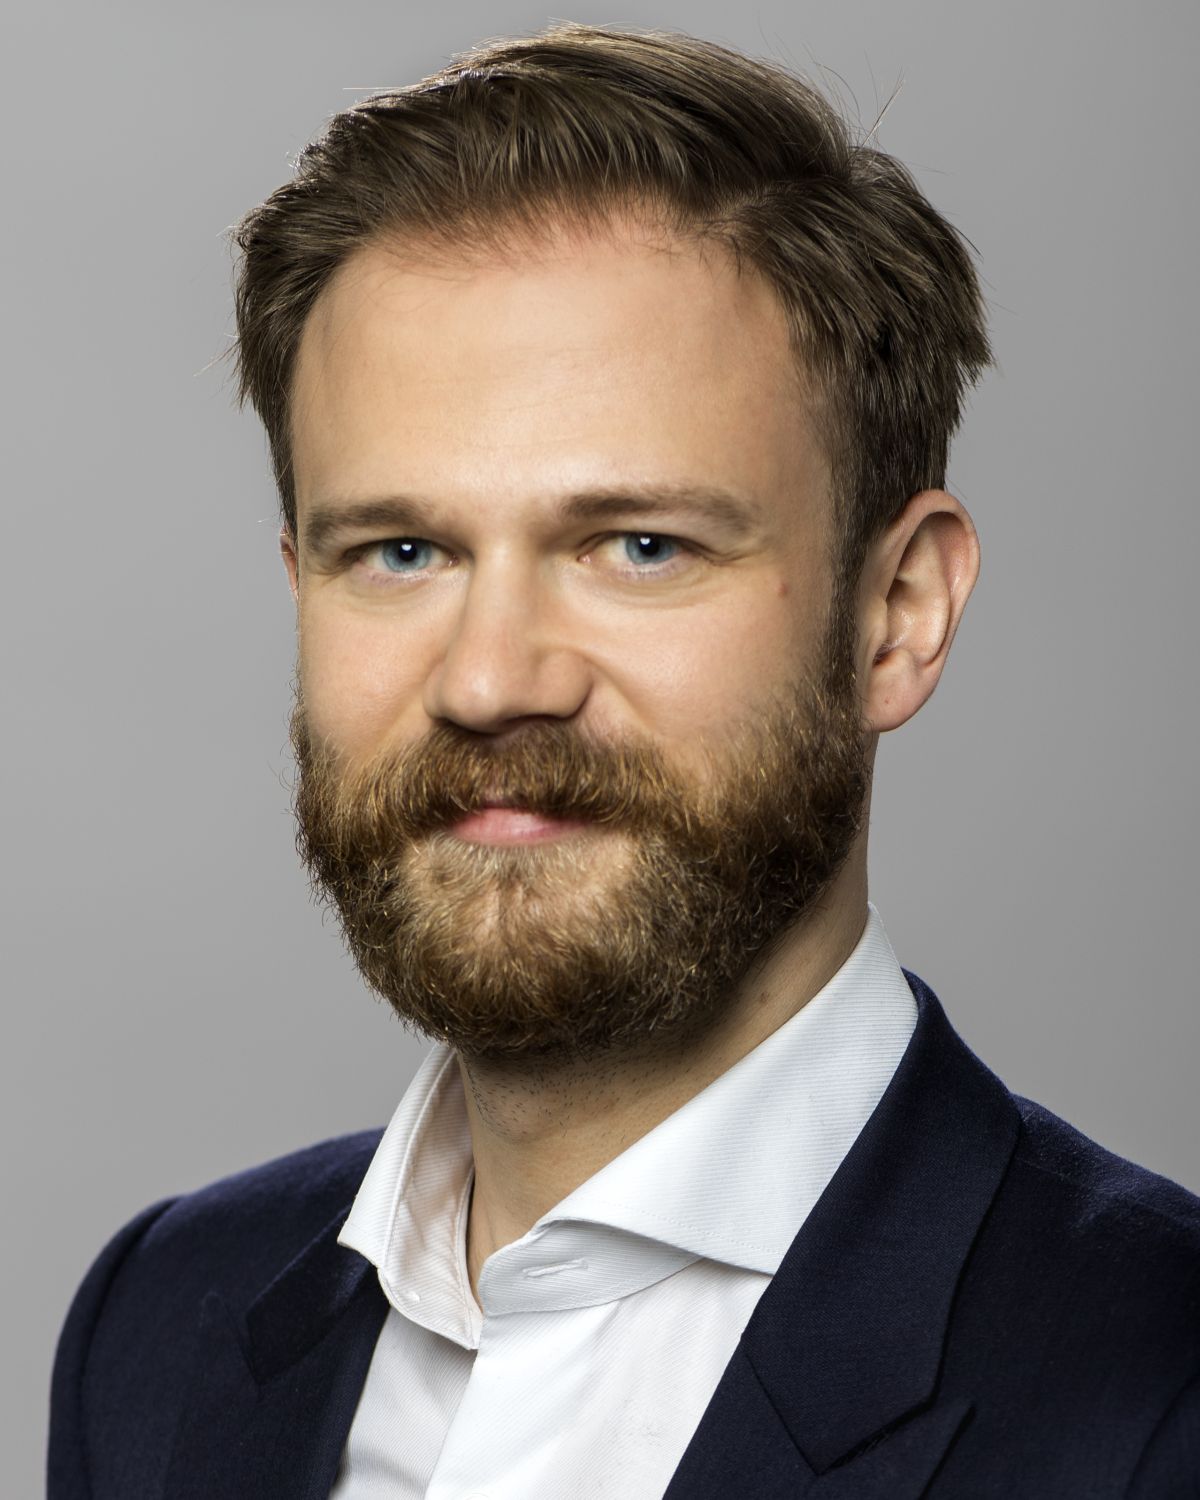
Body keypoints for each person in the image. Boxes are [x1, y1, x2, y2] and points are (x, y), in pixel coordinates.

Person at [47, 20, 1200, 1499]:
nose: (489, 681)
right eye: (400, 552)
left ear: (899, 612)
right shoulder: (156, 1331)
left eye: (639, 546)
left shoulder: (1157, 1400)